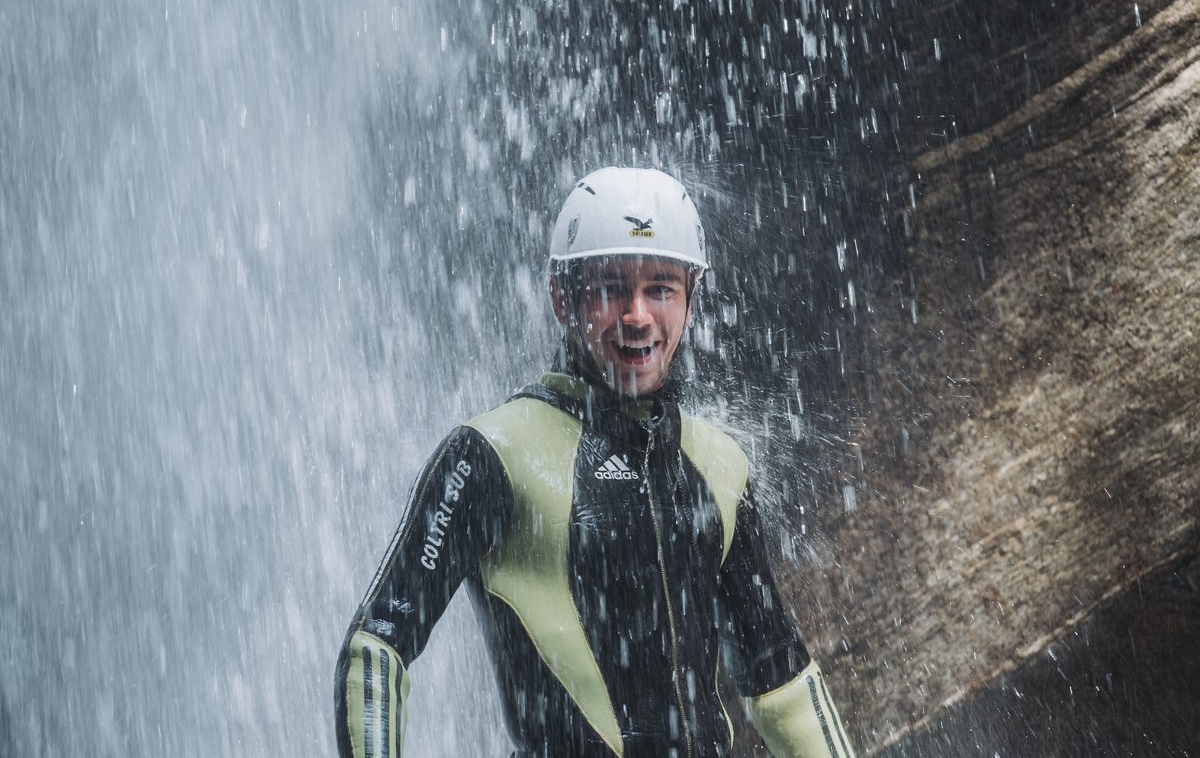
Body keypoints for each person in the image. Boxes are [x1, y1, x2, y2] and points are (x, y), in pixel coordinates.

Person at [334, 167, 858, 757]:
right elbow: (378, 646)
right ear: (563, 297)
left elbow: (779, 677)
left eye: (661, 288)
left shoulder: (720, 463)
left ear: (691, 300)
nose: (637, 315)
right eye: (611, 288)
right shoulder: (492, 454)